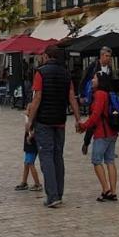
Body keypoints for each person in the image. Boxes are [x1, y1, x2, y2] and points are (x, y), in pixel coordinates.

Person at [26, 45, 81, 208]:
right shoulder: (66, 74)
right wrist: (78, 119)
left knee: (46, 157)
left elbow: (37, 98)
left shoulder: (40, 73)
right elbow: (72, 97)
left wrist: (30, 120)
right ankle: (59, 192)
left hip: (44, 121)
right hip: (60, 120)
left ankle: (52, 195)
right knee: (58, 156)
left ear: (46, 56)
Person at [77, 71, 118, 201]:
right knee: (110, 161)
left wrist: (83, 126)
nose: (92, 80)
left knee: (96, 160)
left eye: (94, 78)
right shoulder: (108, 94)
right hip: (112, 132)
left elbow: (95, 116)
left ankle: (106, 190)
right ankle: (113, 191)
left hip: (102, 133)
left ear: (100, 81)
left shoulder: (100, 94)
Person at [80, 47, 113, 156]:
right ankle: (86, 142)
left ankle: (106, 146)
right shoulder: (93, 66)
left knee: (107, 121)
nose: (108, 58)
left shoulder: (109, 69)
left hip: (105, 98)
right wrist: (82, 95)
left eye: (110, 56)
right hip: (94, 97)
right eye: (107, 56)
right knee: (93, 121)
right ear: (102, 56)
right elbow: (84, 79)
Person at [16, 102, 42, 192]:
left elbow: (34, 131)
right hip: (29, 143)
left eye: (28, 109)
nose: (26, 111)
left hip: (32, 143)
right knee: (26, 163)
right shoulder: (29, 120)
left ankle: (37, 183)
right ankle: (24, 182)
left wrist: (30, 136)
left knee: (30, 162)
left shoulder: (34, 120)